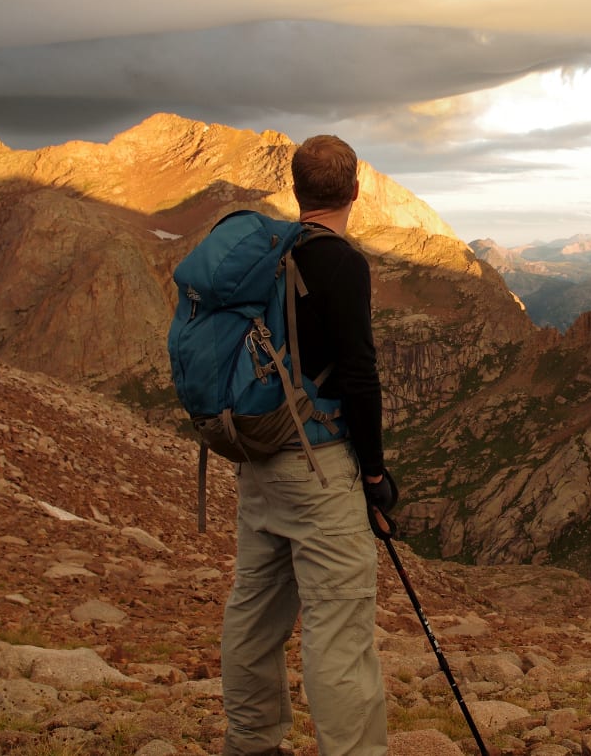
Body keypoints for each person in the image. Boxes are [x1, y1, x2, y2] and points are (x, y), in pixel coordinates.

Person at [219, 134, 396, 756]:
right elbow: (357, 374)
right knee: (338, 628)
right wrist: (374, 475)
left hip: (259, 462)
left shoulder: (267, 253)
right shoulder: (342, 262)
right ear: (355, 191)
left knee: (254, 611)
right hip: (319, 469)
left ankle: (251, 743)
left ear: (297, 191)